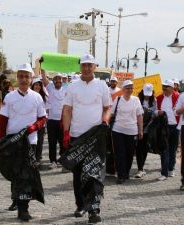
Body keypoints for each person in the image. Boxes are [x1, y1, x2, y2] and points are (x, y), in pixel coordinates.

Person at [62, 54, 110, 224]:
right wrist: (66, 133)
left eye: (90, 65)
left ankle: (94, 209)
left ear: (95, 67)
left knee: (94, 173)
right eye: (84, 65)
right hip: (77, 136)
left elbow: (107, 108)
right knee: (78, 175)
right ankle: (80, 205)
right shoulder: (73, 86)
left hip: (96, 138)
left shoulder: (102, 86)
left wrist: (105, 121)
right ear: (80, 67)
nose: (87, 68)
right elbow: (67, 110)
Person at [0, 63, 47, 221]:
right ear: (17, 78)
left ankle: (23, 208)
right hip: (13, 141)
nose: (24, 79)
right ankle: (16, 199)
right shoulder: (9, 97)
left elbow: (43, 118)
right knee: (15, 172)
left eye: (27, 76)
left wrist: (34, 127)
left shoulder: (37, 97)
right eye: (21, 76)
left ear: (31, 79)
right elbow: (3, 120)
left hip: (30, 142)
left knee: (25, 174)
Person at [111, 80, 143, 184]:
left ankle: (126, 172)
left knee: (129, 154)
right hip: (118, 130)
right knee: (119, 153)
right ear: (123, 89)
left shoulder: (136, 100)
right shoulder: (118, 99)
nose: (129, 90)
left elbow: (139, 116)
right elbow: (111, 113)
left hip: (132, 131)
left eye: (131, 88)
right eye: (127, 88)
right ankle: (121, 175)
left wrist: (140, 130)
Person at [40, 73, 66, 170]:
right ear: (53, 81)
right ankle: (53, 161)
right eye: (56, 80)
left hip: (62, 121)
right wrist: (42, 63)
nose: (58, 82)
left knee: (63, 142)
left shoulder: (66, 90)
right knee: (52, 142)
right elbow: (44, 77)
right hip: (51, 120)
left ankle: (63, 161)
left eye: (59, 80)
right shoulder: (50, 88)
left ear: (62, 81)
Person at [156, 79, 180, 181]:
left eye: (166, 87)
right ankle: (164, 173)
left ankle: (171, 168)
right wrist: (158, 112)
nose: (164, 89)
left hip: (175, 126)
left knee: (173, 149)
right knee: (164, 150)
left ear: (172, 88)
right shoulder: (159, 98)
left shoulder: (178, 97)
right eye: (163, 87)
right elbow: (155, 110)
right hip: (163, 127)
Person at [135, 83, 157, 178]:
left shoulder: (154, 101)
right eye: (146, 93)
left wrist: (151, 112)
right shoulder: (137, 99)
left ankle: (141, 167)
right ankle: (140, 168)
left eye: (149, 94)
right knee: (138, 148)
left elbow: (155, 113)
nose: (147, 95)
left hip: (148, 128)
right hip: (137, 127)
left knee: (145, 148)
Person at [31, 77, 48, 166]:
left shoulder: (43, 96)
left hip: (41, 123)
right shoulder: (29, 95)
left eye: (39, 85)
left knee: (40, 141)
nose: (37, 87)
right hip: (31, 123)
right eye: (36, 85)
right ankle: (31, 159)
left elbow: (47, 108)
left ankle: (38, 159)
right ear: (33, 86)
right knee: (32, 141)